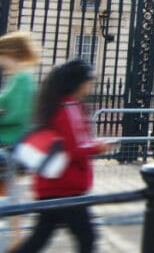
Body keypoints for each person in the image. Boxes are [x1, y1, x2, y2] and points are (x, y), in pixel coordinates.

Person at [12, 59, 109, 253]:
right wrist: (98, 147)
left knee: (39, 239)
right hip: (66, 186)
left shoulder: (60, 104)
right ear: (80, 83)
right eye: (90, 82)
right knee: (87, 237)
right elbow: (75, 147)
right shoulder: (69, 107)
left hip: (53, 184)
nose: (91, 86)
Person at [0, 32, 39, 248]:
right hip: (8, 146)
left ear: (10, 53)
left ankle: (15, 241)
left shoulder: (22, 78)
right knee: (11, 195)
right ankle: (15, 241)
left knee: (11, 195)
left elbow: (17, 114)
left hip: (10, 145)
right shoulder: (16, 78)